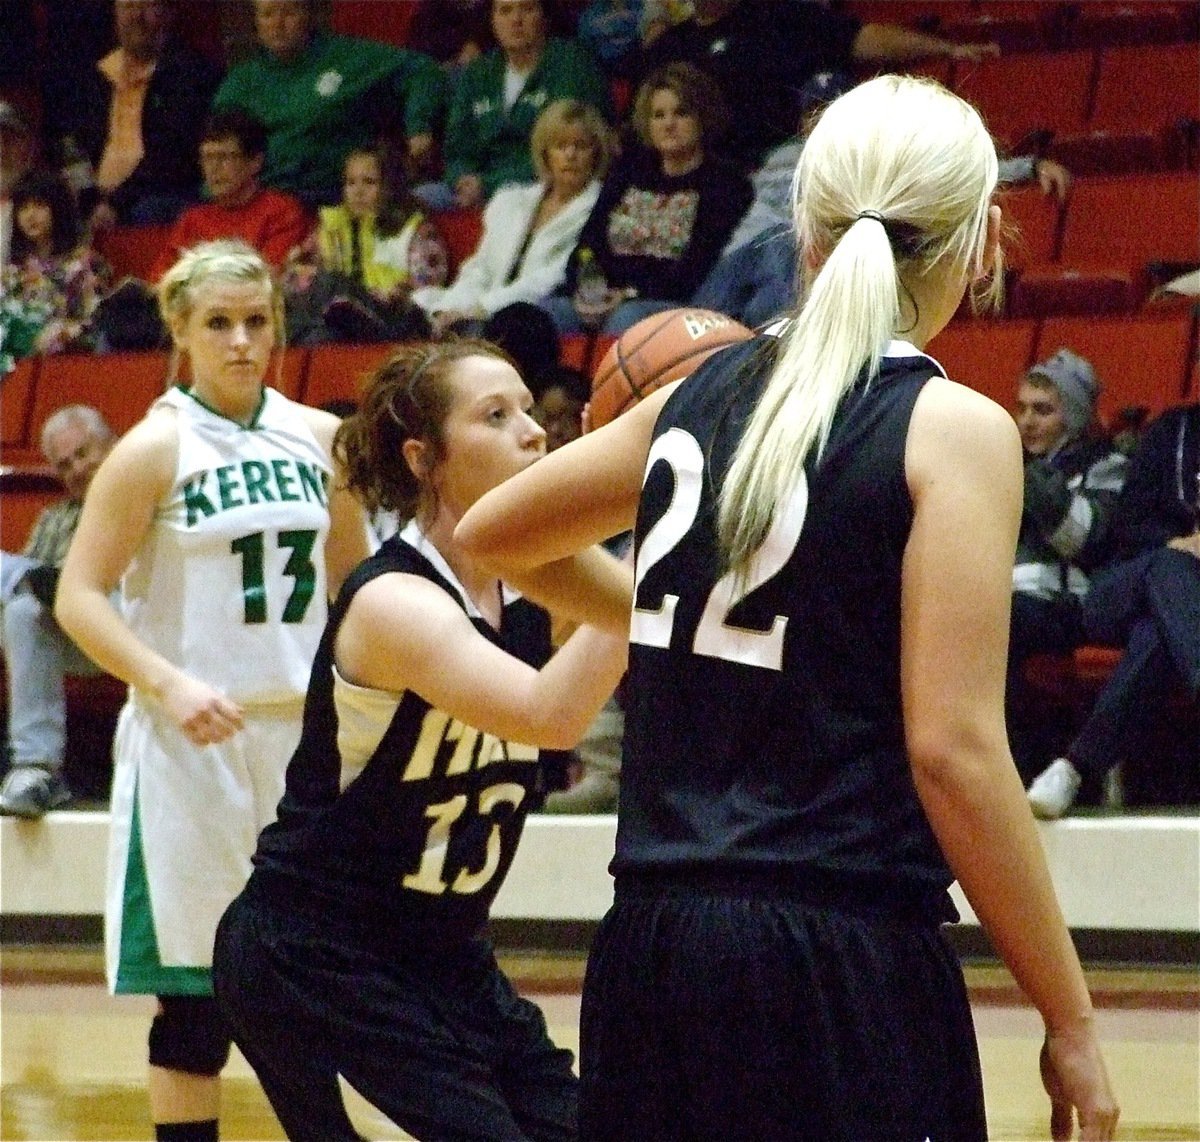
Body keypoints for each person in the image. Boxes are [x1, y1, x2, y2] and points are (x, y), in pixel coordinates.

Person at [457, 74, 1119, 1140]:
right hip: (835, 956)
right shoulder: (954, 428)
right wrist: (1071, 1014)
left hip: (648, 950)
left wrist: (670, 619)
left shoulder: (690, 394)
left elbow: (492, 533)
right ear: (982, 240)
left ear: (803, 228)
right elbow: (952, 750)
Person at [211, 339, 630, 1142]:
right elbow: (551, 713)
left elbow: (655, 621)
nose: (533, 432)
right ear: (425, 458)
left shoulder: (546, 585)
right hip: (315, 956)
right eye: (494, 416)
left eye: (530, 413)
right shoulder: (394, 601)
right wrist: (661, 544)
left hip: (446, 957)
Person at [53, 239, 372, 1142]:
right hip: (189, 749)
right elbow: (79, 595)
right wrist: (166, 681)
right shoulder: (151, 451)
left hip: (304, 747)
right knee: (197, 1008)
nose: (240, 341)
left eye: (256, 322)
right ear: (182, 332)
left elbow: (360, 590)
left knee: (312, 985)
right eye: (219, 324)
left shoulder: (321, 439)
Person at [691, 69, 1073, 327]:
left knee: (782, 247)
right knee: (689, 326)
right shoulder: (780, 156)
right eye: (812, 111)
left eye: (828, 110)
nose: (817, 120)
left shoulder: (867, 153)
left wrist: (1028, 167)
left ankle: (785, 335)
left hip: (801, 248)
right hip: (744, 255)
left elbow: (944, 170)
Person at [1027, 401, 1200, 820]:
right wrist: (1182, 544)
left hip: (1178, 613)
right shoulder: (1172, 430)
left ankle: (1074, 767)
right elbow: (1129, 526)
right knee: (1170, 567)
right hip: (1130, 582)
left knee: (1157, 636)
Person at [637, 0, 998, 172]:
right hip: (700, 178)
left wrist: (948, 49)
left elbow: (862, 38)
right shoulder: (671, 47)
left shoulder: (782, 17)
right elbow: (639, 130)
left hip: (784, 165)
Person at [542, 61, 751, 337]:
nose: (669, 124)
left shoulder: (725, 183)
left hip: (672, 303)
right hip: (605, 296)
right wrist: (588, 290)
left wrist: (628, 294)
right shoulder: (628, 172)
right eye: (658, 115)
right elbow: (588, 246)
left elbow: (697, 269)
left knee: (626, 320)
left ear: (702, 117)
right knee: (540, 315)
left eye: (681, 113)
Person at [1007, 349, 1128, 779]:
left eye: (1043, 410)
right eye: (1021, 408)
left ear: (1074, 416)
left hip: (1069, 606)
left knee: (1000, 621)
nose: (1027, 420)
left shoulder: (1109, 465)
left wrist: (1030, 476)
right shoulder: (1007, 465)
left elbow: (1080, 539)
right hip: (1013, 602)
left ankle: (1011, 773)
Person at [212, 0, 449, 209]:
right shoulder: (240, 83)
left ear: (308, 14)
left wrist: (419, 126)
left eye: (288, 12)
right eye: (268, 14)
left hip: (335, 198)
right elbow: (217, 147)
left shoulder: (348, 58)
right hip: (265, 203)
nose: (278, 23)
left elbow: (423, 71)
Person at [0, 406, 116, 819]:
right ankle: (36, 768)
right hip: (76, 631)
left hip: (132, 625)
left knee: (19, 581)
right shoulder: (55, 517)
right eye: (64, 465)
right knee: (22, 613)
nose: (77, 470)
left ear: (112, 444)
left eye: (83, 454)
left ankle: (50, 583)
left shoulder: (141, 495)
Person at [413, 99, 613, 336]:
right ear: (545, 153)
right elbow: (480, 269)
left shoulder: (602, 208)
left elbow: (550, 279)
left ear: (596, 153)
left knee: (504, 325)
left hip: (538, 309)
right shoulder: (511, 201)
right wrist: (451, 309)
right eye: (560, 146)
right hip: (479, 308)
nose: (570, 155)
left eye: (581, 146)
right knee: (418, 308)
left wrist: (481, 309)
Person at [419, 0, 614, 210]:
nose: (516, 20)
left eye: (527, 9)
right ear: (492, 20)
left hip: (544, 188)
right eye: (505, 11)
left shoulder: (571, 64)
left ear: (544, 17)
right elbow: (457, 149)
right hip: (476, 188)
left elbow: (564, 152)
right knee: (415, 200)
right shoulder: (477, 73)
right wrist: (461, 181)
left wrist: (487, 185)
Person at [54, 0, 222, 230]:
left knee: (150, 211)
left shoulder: (190, 74)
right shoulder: (94, 76)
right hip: (97, 197)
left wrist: (116, 203)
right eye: (128, 7)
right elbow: (73, 146)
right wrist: (89, 200)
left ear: (167, 13)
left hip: (158, 193)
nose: (137, 16)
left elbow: (172, 155)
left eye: (148, 6)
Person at [283, 144, 447, 345]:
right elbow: (298, 283)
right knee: (315, 334)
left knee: (332, 284)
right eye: (351, 183)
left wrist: (398, 294)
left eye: (369, 182)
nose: (358, 192)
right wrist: (297, 268)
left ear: (390, 186)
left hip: (392, 319)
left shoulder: (414, 229)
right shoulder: (330, 229)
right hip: (338, 324)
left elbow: (428, 289)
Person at [149, 109, 311, 281]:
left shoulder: (282, 212)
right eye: (207, 157)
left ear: (255, 162)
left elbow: (265, 278)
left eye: (225, 157)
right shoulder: (193, 219)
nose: (214, 168)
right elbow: (161, 280)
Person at [1, 168, 112, 361]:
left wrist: (59, 335)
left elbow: (94, 321)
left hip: (68, 363)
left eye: (39, 205)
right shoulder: (12, 273)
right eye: (23, 208)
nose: (30, 215)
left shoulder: (85, 264)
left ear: (58, 208)